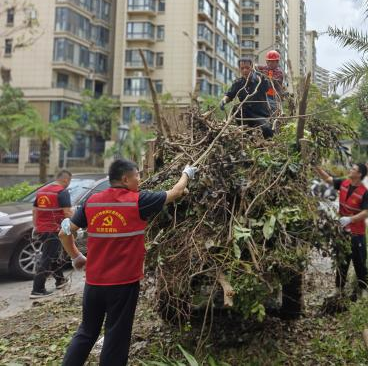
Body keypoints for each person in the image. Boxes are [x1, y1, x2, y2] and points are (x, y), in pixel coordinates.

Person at [59, 159, 198, 366]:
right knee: (116, 335)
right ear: (125, 179)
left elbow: (63, 232)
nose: (140, 179)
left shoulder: (93, 201)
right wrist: (187, 173)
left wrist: (76, 256)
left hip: (94, 283)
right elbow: (176, 192)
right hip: (123, 285)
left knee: (86, 332)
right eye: (137, 175)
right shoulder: (138, 200)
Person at [315, 163, 368, 298]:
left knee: (359, 262)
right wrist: (316, 167)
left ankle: (364, 290)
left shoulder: (365, 192)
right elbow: (328, 179)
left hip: (357, 233)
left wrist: (350, 220)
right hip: (343, 232)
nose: (350, 170)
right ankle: (339, 289)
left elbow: (365, 213)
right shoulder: (344, 183)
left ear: (359, 174)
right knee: (342, 261)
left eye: (353, 169)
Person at [30, 170, 74, 299]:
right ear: (66, 180)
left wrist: (36, 227)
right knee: (47, 258)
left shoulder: (42, 191)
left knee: (53, 254)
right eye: (69, 181)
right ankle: (37, 289)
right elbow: (67, 213)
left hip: (42, 229)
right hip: (54, 229)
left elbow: (34, 211)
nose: (68, 184)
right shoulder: (62, 192)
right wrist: (70, 229)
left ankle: (60, 281)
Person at [221, 58, 274, 139]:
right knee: (236, 108)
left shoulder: (259, 79)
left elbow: (267, 87)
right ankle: (245, 134)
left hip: (260, 114)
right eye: (242, 68)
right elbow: (230, 95)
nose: (245, 70)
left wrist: (262, 76)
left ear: (251, 67)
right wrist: (224, 101)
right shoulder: (238, 83)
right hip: (246, 115)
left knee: (267, 129)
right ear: (239, 69)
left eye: (247, 68)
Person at [257, 50, 286, 115]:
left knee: (273, 111)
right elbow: (256, 67)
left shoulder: (279, 73)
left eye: (272, 61)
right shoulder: (265, 68)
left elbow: (272, 83)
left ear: (277, 62)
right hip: (265, 95)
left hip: (274, 96)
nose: (270, 63)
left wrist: (265, 76)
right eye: (268, 61)